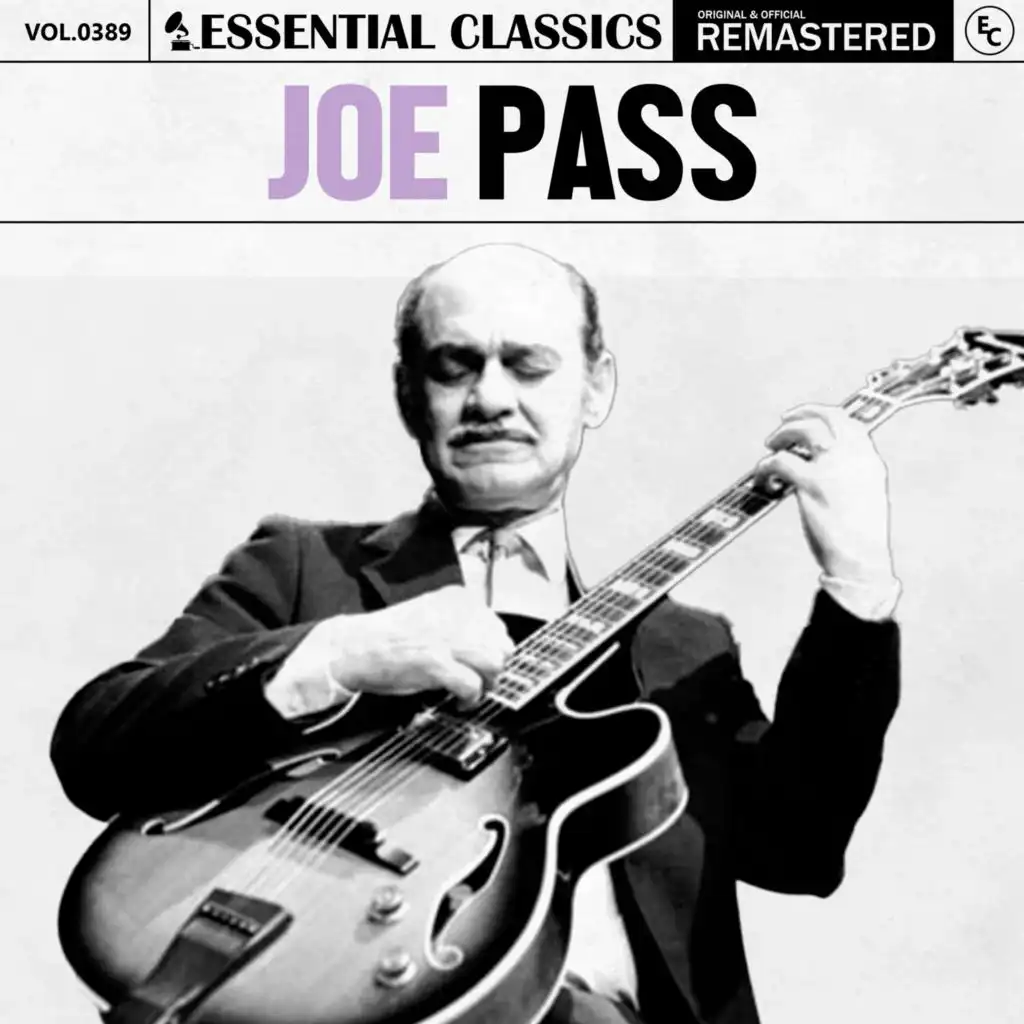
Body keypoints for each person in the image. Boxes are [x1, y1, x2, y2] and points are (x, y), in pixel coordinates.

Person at [51, 243, 901, 1024]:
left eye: (529, 365)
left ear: (597, 386)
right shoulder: (303, 567)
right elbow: (96, 743)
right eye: (454, 366)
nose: (491, 398)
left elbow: (798, 851)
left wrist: (858, 590)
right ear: (407, 395)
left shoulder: (685, 649)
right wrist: (341, 653)